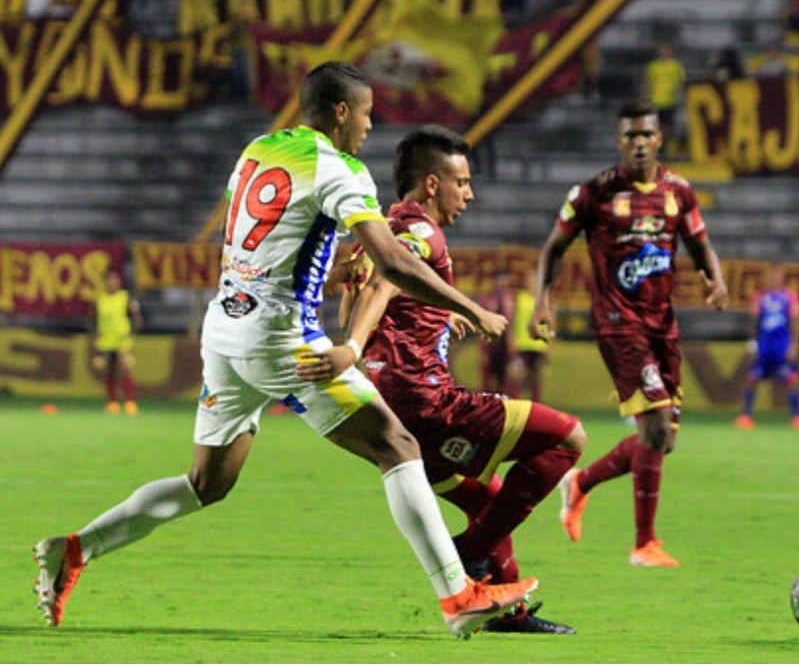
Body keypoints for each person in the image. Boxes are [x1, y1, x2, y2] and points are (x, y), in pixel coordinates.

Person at [32, 62, 536, 638]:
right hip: (282, 340)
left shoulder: (259, 149)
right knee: (396, 445)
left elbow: (262, 240)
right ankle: (458, 595)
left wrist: (329, 266)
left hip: (225, 329)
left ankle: (73, 550)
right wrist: (471, 308)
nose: (371, 126)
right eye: (367, 113)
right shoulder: (341, 169)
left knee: (207, 482)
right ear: (341, 112)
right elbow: (397, 262)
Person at [299, 126, 584, 634]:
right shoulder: (420, 231)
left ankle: (508, 611)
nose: (469, 194)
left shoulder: (376, 230)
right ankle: (464, 556)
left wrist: (428, 315)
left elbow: (360, 292)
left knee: (487, 500)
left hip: (394, 406)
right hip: (428, 402)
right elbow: (385, 284)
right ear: (432, 184)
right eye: (463, 182)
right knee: (568, 437)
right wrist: (356, 348)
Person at [530, 100, 730, 568]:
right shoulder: (593, 194)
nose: (639, 143)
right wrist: (543, 301)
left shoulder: (679, 192)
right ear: (618, 142)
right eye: (630, 136)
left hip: (663, 324)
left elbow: (701, 244)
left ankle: (580, 483)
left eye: (646, 135)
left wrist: (714, 280)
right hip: (618, 323)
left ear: (659, 139)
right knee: (657, 425)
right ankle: (644, 545)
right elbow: (552, 249)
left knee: (661, 439)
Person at [734, 264, 799, 431]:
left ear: (782, 278)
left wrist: (794, 344)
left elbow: (795, 321)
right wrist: (752, 343)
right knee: (752, 378)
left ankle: (796, 417)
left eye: (777, 276)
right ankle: (745, 415)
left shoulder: (790, 296)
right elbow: (753, 320)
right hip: (764, 344)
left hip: (782, 344)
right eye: (771, 276)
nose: (774, 279)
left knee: (791, 379)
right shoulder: (760, 296)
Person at [92, 270, 141, 416]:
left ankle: (130, 403)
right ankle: (112, 403)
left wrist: (131, 335)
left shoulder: (125, 298)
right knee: (110, 373)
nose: (112, 283)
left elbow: (136, 318)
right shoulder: (100, 300)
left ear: (119, 282)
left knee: (125, 369)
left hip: (122, 341)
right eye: (109, 280)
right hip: (106, 341)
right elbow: (94, 321)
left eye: (114, 280)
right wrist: (95, 338)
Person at [511, 271, 549, 402]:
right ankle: (516, 406)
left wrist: (550, 346)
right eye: (529, 280)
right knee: (517, 376)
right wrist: (512, 340)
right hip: (522, 345)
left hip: (539, 346)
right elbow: (513, 321)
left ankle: (536, 408)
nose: (531, 283)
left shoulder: (544, 299)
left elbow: (551, 323)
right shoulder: (520, 297)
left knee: (536, 379)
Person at [478, 270, 516, 394]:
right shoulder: (486, 298)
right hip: (490, 344)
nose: (503, 284)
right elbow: (480, 324)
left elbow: (512, 322)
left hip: (505, 344)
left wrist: (512, 343)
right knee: (488, 379)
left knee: (505, 379)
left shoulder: (510, 298)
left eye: (505, 281)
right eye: (500, 281)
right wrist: (482, 348)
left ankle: (502, 406)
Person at [644, 44, 686, 147]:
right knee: (655, 126)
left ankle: (667, 145)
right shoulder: (653, 66)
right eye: (662, 51)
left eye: (666, 51)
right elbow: (648, 83)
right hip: (655, 101)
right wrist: (646, 98)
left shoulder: (676, 66)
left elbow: (681, 83)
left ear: (670, 52)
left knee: (669, 125)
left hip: (671, 101)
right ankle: (658, 145)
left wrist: (681, 97)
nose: (664, 53)